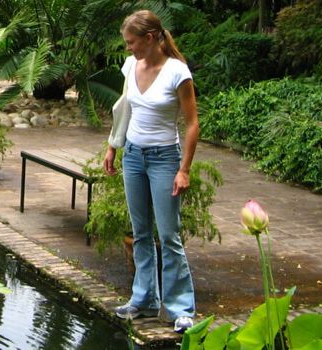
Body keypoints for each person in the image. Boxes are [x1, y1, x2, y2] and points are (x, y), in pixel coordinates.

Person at [103, 9, 199, 334]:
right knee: (140, 232)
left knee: (169, 235)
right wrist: (113, 147)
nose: (128, 48)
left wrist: (184, 169)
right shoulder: (131, 65)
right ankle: (143, 299)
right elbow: (124, 108)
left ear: (149, 38)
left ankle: (180, 308)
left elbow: (192, 124)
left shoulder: (177, 72)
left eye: (132, 42)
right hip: (133, 156)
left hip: (164, 159)